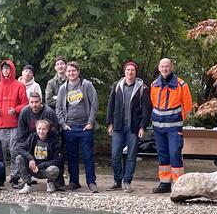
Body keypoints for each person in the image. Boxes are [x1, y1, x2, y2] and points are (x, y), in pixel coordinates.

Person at [106, 61, 151, 193]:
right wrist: (110, 123)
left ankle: (127, 181)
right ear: (124, 72)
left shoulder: (142, 88)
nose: (130, 72)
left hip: (133, 127)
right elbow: (111, 105)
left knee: (131, 156)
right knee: (115, 155)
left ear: (136, 73)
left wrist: (143, 126)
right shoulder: (117, 86)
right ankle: (117, 180)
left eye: (132, 70)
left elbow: (146, 110)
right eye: (128, 70)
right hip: (118, 127)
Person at [150, 58, 193, 193]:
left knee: (174, 153)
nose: (164, 69)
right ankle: (164, 183)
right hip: (158, 128)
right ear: (158, 68)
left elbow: (187, 106)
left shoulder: (181, 85)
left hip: (174, 127)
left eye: (167, 66)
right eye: (162, 66)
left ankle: (178, 184)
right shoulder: (154, 85)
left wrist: (180, 120)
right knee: (162, 155)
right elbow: (153, 104)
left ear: (171, 67)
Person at [56, 61, 99, 192]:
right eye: (69, 71)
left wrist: (90, 122)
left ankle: (91, 182)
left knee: (87, 155)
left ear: (78, 72)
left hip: (85, 127)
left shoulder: (86, 85)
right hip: (70, 128)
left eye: (73, 71)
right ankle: (74, 181)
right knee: (72, 156)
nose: (71, 73)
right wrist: (63, 124)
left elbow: (94, 104)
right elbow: (58, 108)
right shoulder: (63, 88)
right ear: (66, 73)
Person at [0, 59, 28, 186]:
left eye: (8, 68)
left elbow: (25, 103)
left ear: (12, 70)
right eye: (3, 69)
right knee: (0, 152)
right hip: (0, 125)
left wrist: (16, 110)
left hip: (14, 125)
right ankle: (0, 176)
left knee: (15, 151)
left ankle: (15, 177)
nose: (6, 71)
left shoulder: (19, 86)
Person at [15, 119, 62, 194]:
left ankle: (50, 183)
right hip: (33, 167)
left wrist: (40, 166)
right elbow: (19, 148)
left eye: (44, 129)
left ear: (48, 130)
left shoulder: (55, 141)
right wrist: (31, 158)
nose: (41, 131)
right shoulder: (33, 137)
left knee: (53, 169)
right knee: (19, 158)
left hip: (45, 169)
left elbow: (58, 160)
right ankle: (27, 184)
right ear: (36, 129)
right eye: (39, 129)